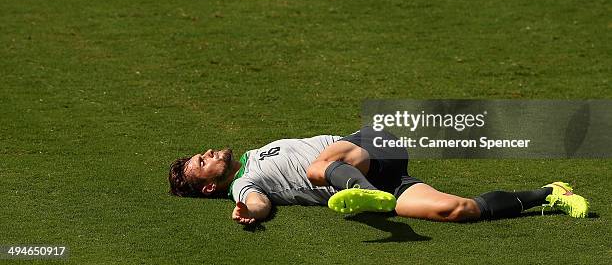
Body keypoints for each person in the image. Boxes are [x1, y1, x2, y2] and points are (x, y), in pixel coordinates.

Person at [168, 128, 589, 225]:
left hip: (369, 147)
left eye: (201, 154)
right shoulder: (243, 185)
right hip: (384, 177)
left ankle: (364, 193)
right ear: (210, 186)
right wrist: (248, 211)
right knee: (454, 210)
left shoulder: (250, 155)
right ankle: (550, 193)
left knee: (318, 168)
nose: (207, 154)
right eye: (202, 163)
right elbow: (258, 203)